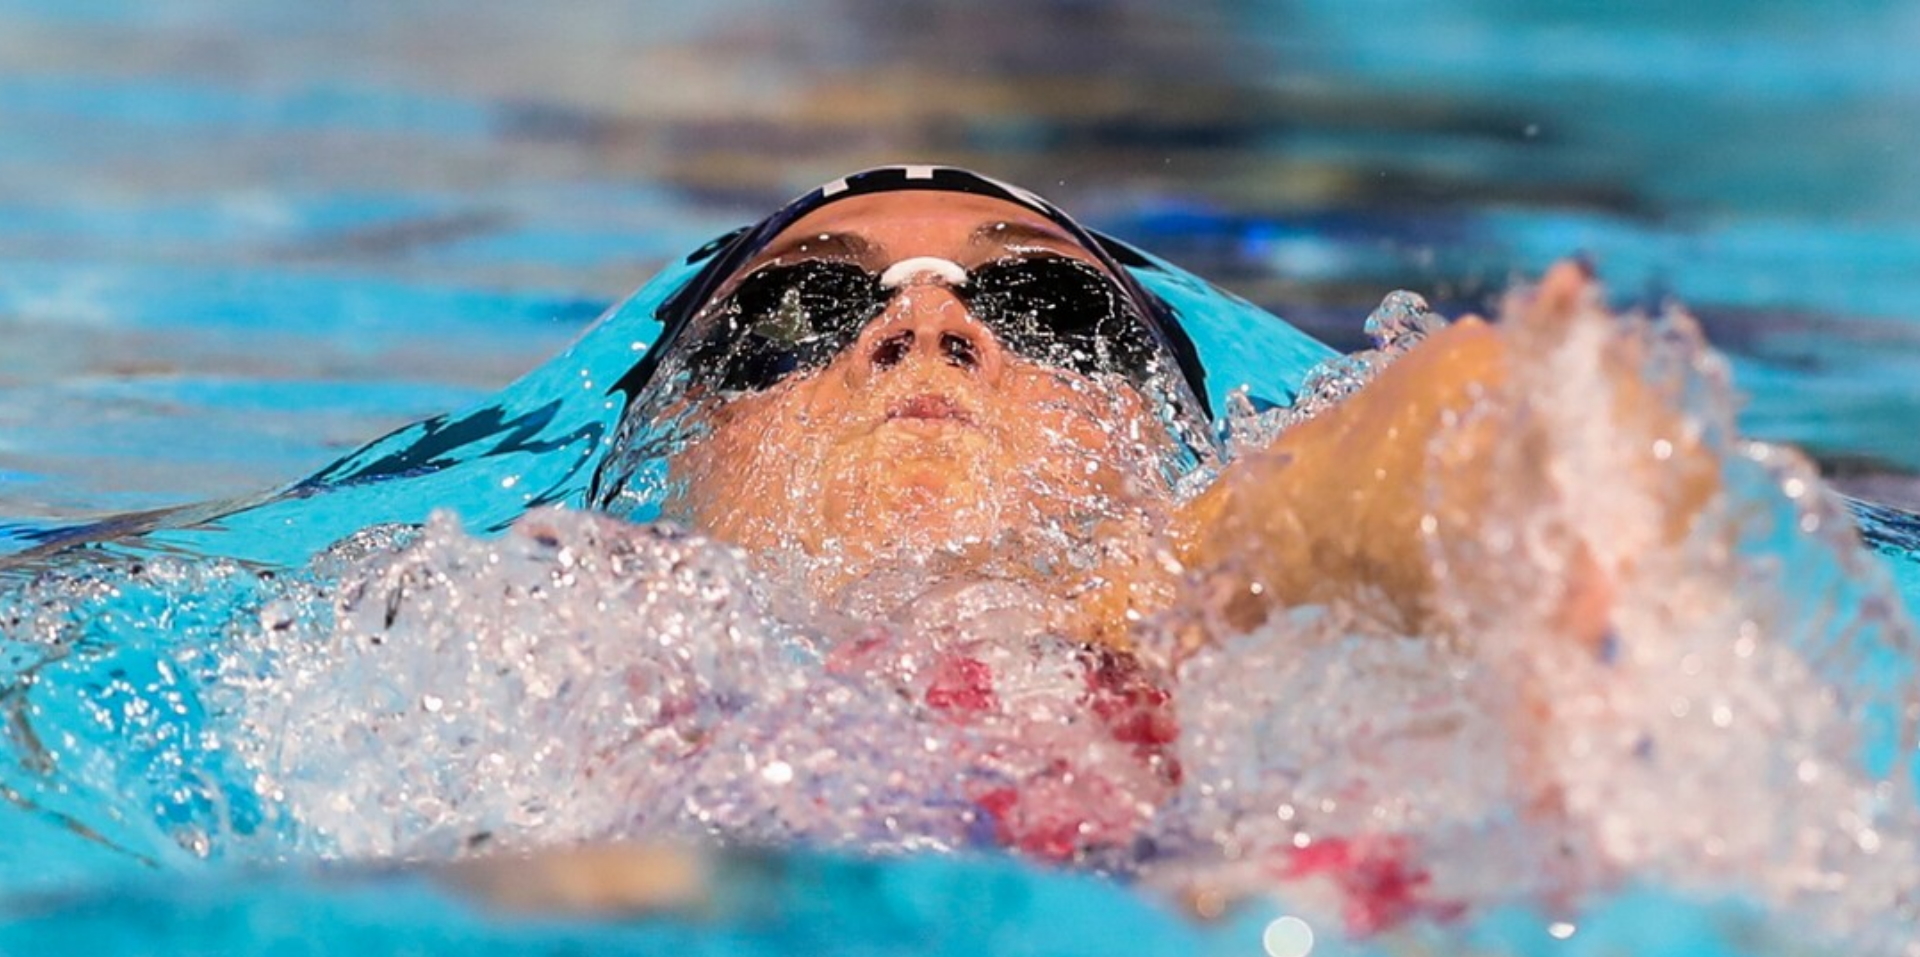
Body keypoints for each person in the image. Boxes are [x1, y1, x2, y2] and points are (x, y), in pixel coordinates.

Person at [604, 164, 1709, 659]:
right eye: (798, 312)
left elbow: (1443, 437)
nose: (928, 323)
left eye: (1053, 308)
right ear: (675, 448)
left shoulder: (1191, 630)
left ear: (1158, 439)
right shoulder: (544, 660)